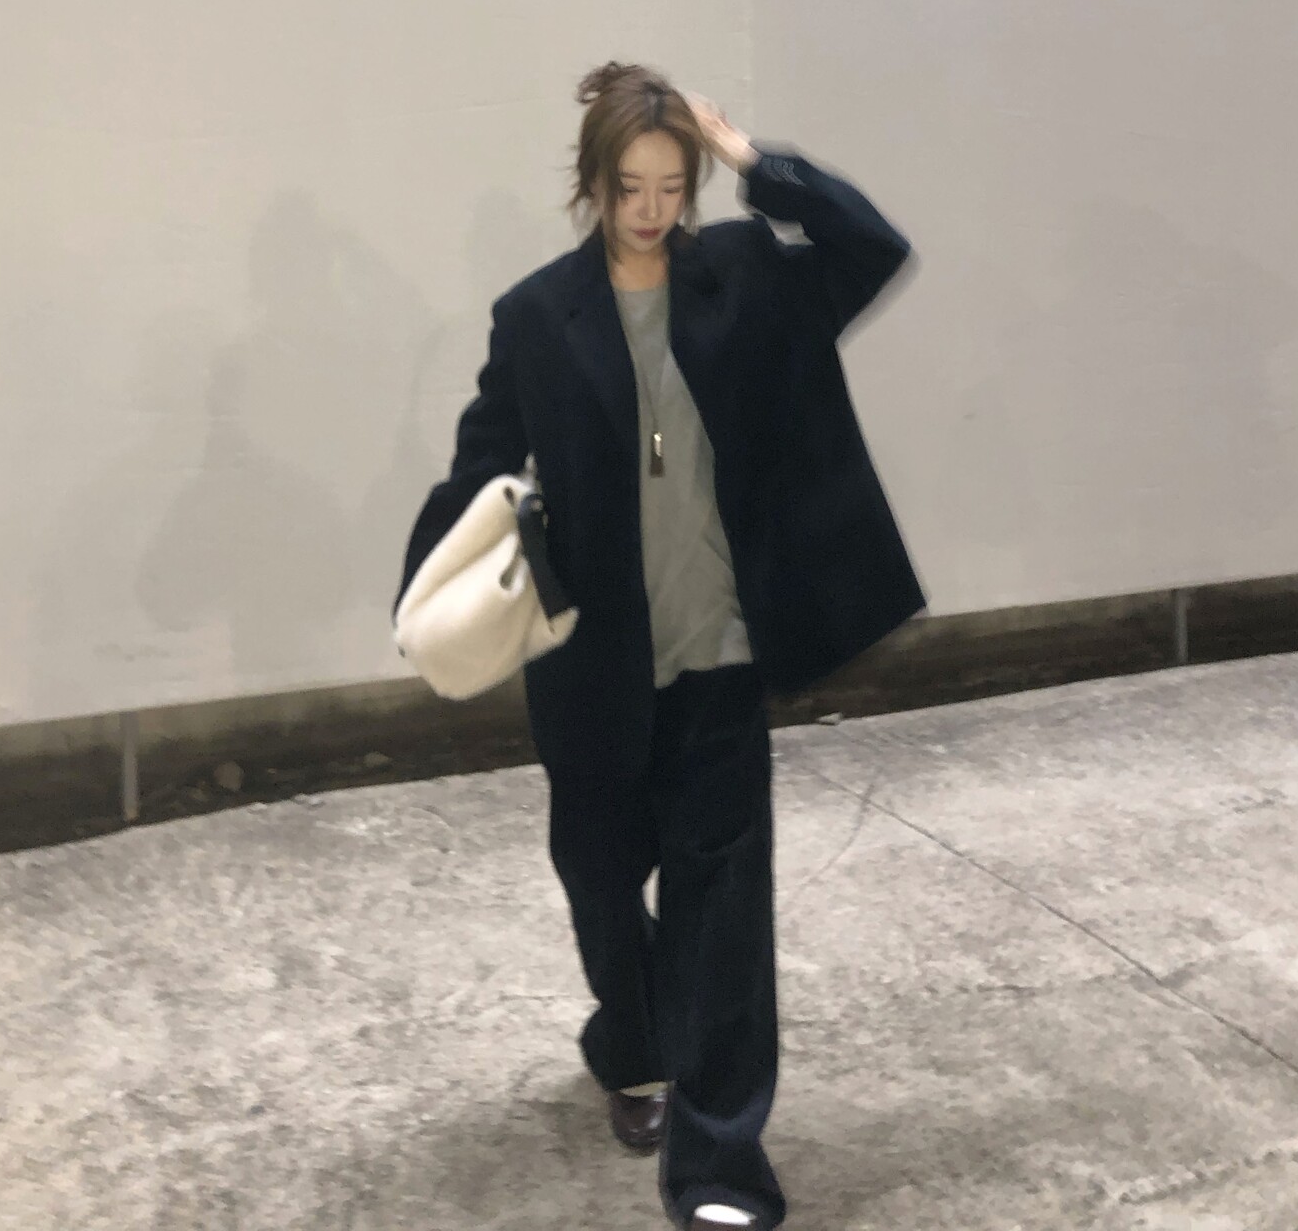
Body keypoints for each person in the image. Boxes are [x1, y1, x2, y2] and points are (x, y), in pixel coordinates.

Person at [396, 62, 925, 1231]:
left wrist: (757, 164)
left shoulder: (743, 275)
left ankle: (720, 1164)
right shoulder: (537, 316)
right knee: (599, 878)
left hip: (721, 654)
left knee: (723, 913)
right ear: (593, 184)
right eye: (629, 186)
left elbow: (872, 249)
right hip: (594, 669)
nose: (650, 209)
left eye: (672, 185)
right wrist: (421, 597)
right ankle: (631, 1041)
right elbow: (479, 462)